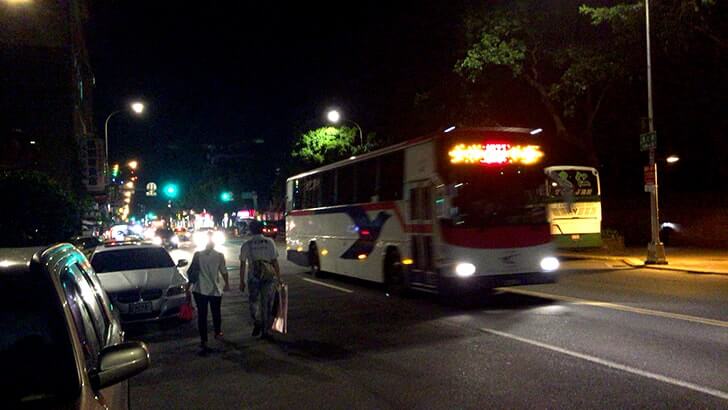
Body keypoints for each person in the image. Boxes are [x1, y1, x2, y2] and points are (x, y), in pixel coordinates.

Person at [239, 220, 281, 339]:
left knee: (253, 301)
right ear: (262, 229)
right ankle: (265, 331)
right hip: (268, 275)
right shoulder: (269, 242)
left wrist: (241, 281)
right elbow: (274, 261)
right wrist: (279, 277)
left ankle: (257, 321)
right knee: (266, 303)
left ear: (251, 230)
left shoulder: (247, 244)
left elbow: (242, 264)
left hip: (254, 276)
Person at [189, 233, 230, 352]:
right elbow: (223, 271)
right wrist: (227, 284)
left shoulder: (198, 255)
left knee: (202, 315)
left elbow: (192, 272)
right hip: (215, 290)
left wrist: (188, 288)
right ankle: (218, 332)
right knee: (216, 312)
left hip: (200, 289)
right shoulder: (219, 256)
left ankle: (204, 340)